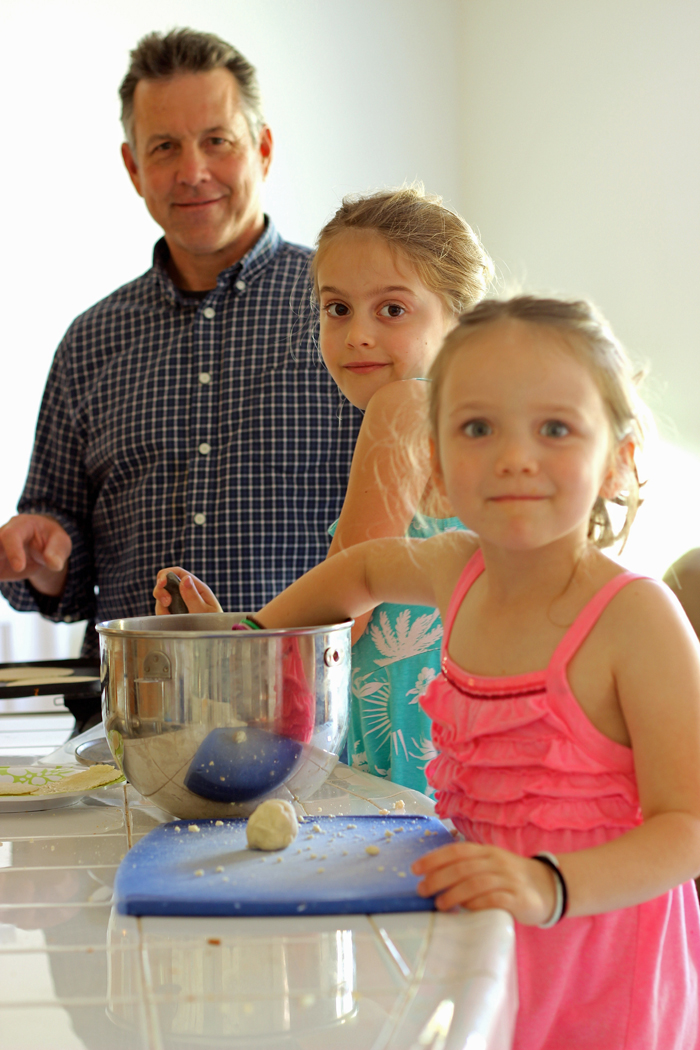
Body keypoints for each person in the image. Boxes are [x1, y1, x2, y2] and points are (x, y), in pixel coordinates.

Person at [161, 296, 700, 1048]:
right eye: (478, 428)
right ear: (437, 467)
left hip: (596, 961)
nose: (515, 455)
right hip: (475, 937)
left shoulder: (636, 620)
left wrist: (550, 886)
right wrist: (249, 636)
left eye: (556, 428)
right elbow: (365, 568)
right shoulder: (459, 572)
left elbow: (689, 825)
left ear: (619, 459)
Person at [0, 28, 361, 728]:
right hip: (135, 729)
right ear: (134, 167)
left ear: (262, 148)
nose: (193, 170)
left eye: (218, 140)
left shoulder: (348, 313)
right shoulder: (90, 341)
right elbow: (61, 576)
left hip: (318, 722)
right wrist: (44, 554)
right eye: (165, 147)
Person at [156, 186, 493, 793]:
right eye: (337, 309)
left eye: (392, 310)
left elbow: (349, 610)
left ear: (461, 323)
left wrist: (234, 644)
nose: (357, 334)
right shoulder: (477, 428)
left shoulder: (401, 408)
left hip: (407, 758)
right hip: (464, 747)